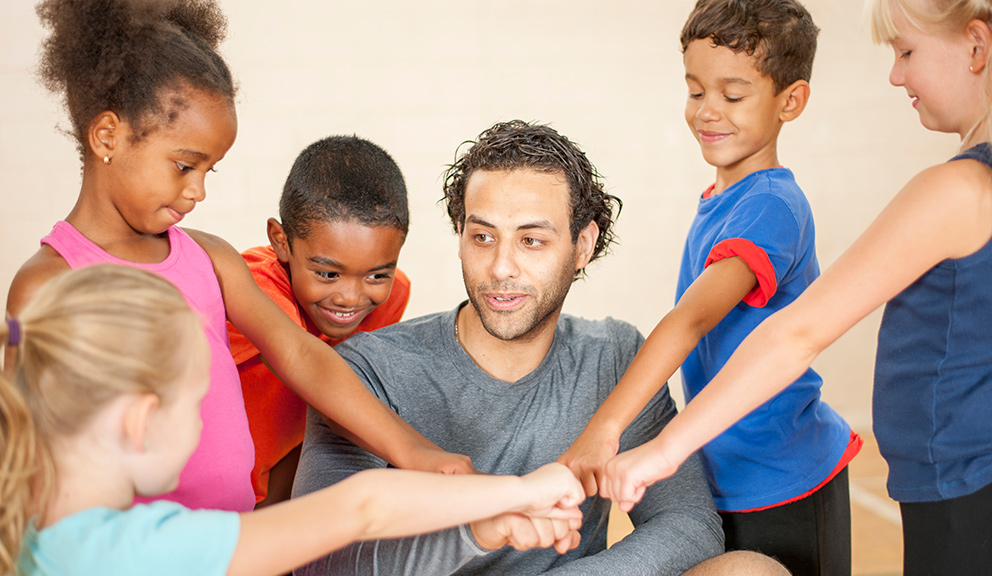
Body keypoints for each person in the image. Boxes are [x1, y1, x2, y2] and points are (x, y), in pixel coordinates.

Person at [602, 1, 992, 575]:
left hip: (970, 485)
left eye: (906, 52)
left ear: (977, 47)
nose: (896, 75)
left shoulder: (960, 189)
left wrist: (662, 449)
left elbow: (796, 333)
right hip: (969, 478)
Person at [5, 0, 470, 514]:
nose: (198, 191)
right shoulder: (48, 283)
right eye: (184, 166)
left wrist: (413, 449)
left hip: (240, 545)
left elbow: (300, 355)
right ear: (107, 136)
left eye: (211, 170)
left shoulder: (209, 256)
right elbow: (29, 457)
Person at [292, 120, 790, 576]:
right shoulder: (366, 370)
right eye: (482, 236)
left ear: (583, 244)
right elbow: (321, 561)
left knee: (748, 572)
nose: (501, 266)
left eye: (531, 241)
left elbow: (687, 524)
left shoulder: (614, 357)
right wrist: (472, 534)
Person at [0, 265, 587, 576]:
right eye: (198, 401)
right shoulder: (136, 549)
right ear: (141, 420)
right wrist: (523, 488)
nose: (205, 425)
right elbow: (362, 507)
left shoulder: (31, 531)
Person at [559, 1, 857, 573]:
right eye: (696, 92)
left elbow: (691, 319)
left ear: (790, 101)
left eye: (733, 95)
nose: (708, 112)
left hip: (786, 478)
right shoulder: (724, 200)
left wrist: (606, 429)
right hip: (724, 475)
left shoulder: (771, 205)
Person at [228, 135, 413, 508]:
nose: (351, 297)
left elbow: (335, 409)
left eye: (377, 275)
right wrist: (417, 453)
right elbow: (306, 363)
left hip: (268, 489)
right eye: (328, 274)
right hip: (184, 495)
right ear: (281, 241)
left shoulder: (390, 298)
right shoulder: (251, 284)